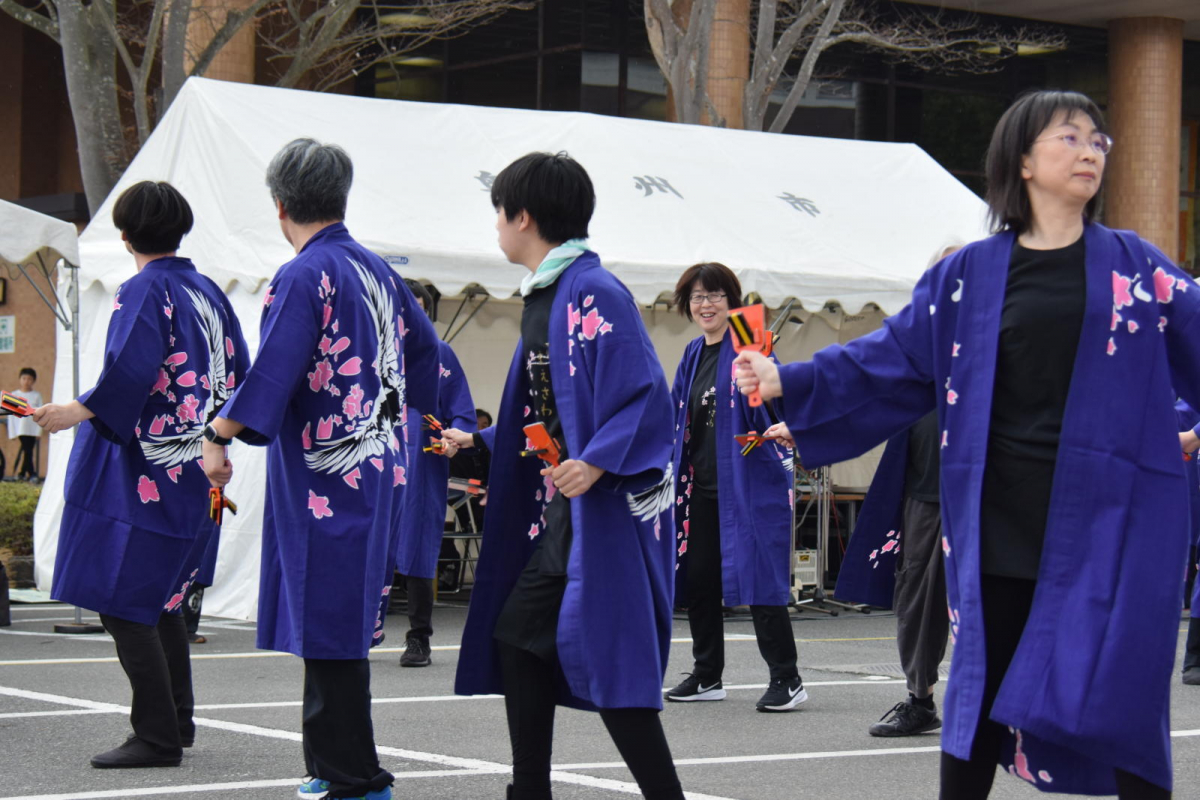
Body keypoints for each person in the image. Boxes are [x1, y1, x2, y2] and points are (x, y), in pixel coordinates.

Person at [734, 90, 1196, 798]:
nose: (1090, 150)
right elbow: (885, 360)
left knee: (1122, 692)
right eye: (1069, 137)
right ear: (1023, 160)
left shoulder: (1137, 267)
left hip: (1112, 523)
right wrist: (784, 380)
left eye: (1098, 140)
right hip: (1000, 519)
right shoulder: (968, 274)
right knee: (978, 699)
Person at [201, 138, 440, 800]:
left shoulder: (306, 275)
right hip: (380, 463)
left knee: (330, 618)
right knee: (338, 616)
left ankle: (352, 776)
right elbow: (427, 355)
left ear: (279, 205)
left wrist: (218, 431)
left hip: (328, 471)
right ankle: (334, 768)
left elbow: (277, 364)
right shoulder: (378, 271)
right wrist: (440, 419)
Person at [447, 152, 684, 800]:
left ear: (523, 216)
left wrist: (599, 459)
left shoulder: (592, 290)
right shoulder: (552, 294)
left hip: (598, 514)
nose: (496, 225)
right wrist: (477, 442)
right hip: (568, 516)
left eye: (499, 212)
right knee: (522, 641)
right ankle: (529, 790)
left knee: (610, 661)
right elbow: (542, 411)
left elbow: (646, 396)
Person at [34, 180, 249, 769]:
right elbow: (239, 376)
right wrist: (213, 439)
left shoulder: (143, 289)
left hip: (145, 464)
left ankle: (157, 736)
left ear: (124, 234)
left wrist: (75, 410)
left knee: (125, 601)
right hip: (194, 462)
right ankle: (176, 721)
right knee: (163, 597)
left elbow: (131, 368)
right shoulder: (209, 292)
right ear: (181, 229)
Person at [825, 244, 962, 737]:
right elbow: (862, 393)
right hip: (924, 492)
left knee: (995, 598)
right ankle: (920, 699)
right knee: (917, 600)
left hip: (988, 495)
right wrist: (801, 426)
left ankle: (1000, 705)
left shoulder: (1003, 337)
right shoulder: (916, 344)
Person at [663, 262, 803, 712]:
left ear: (732, 300)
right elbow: (673, 416)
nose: (705, 305)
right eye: (697, 297)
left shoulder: (749, 343)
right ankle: (707, 675)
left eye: (715, 295)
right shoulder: (690, 354)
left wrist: (772, 396)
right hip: (702, 485)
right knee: (700, 579)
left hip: (747, 481)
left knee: (761, 574)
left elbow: (772, 399)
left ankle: (787, 677)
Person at [393, 278, 476, 668]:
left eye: (417, 306)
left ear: (425, 312)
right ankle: (364, 629)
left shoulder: (441, 354)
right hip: (378, 462)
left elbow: (462, 412)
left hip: (423, 461)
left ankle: (418, 637)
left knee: (419, 545)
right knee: (371, 545)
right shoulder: (373, 352)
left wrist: (453, 438)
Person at [7, 368, 43, 480]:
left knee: (27, 451)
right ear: (20, 379)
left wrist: (39, 431)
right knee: (28, 450)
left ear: (34, 381)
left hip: (32, 428)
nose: (26, 381)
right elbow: (11, 416)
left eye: (29, 379)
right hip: (21, 429)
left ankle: (22, 473)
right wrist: (12, 433)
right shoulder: (14, 395)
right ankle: (31, 473)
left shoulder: (37, 395)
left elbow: (40, 413)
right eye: (24, 378)